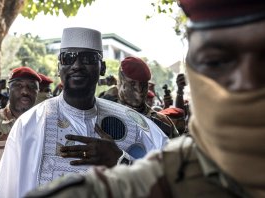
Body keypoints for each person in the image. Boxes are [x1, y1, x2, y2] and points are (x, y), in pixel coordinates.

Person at [25, 1, 265, 197]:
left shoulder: (157, 125)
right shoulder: (34, 122)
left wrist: (117, 158)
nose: (246, 82)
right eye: (217, 61)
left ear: (100, 68)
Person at [0, 27, 168, 198]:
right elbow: (5, 191)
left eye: (88, 58)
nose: (77, 65)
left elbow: (173, 183)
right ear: (59, 67)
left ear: (103, 68)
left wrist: (121, 160)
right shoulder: (31, 123)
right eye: (68, 57)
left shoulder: (136, 125)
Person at [0, 66, 41, 189]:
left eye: (32, 87)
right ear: (8, 89)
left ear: (38, 92)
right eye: (18, 86)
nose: (25, 91)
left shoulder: (46, 126)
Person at [102, 57, 179, 138]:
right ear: (120, 83)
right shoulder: (103, 113)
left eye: (143, 84)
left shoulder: (163, 123)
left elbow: (176, 149)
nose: (139, 89)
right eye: (132, 83)